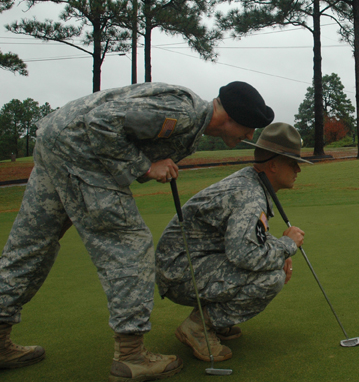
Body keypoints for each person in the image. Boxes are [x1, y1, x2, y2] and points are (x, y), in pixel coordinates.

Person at [0, 81, 274, 381]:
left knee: (32, 244)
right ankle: (131, 357)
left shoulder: (192, 123)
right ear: (230, 117)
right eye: (248, 128)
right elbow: (100, 122)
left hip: (60, 144)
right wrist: (144, 167)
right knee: (129, 244)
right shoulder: (183, 112)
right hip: (78, 151)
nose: (250, 136)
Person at [155, 122, 309, 362]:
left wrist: (279, 252)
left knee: (273, 264)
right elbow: (245, 255)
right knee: (272, 277)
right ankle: (198, 327)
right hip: (180, 271)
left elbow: (249, 237)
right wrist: (287, 246)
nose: (298, 170)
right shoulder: (249, 195)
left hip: (189, 263)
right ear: (274, 165)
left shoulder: (252, 183)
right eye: (293, 163)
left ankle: (213, 321)